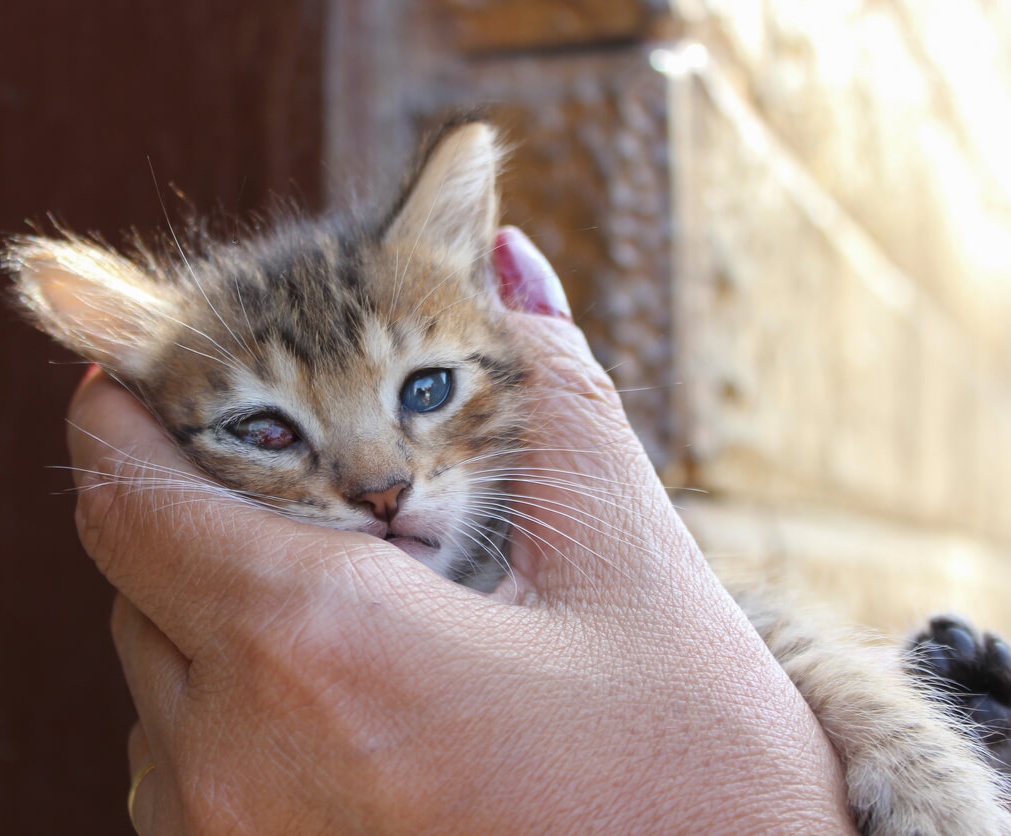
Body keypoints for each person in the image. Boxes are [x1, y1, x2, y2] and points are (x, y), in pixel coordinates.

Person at [67, 228, 856, 833]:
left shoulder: (551, 549)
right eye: (269, 432)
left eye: (426, 388)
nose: (379, 483)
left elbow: (737, 656)